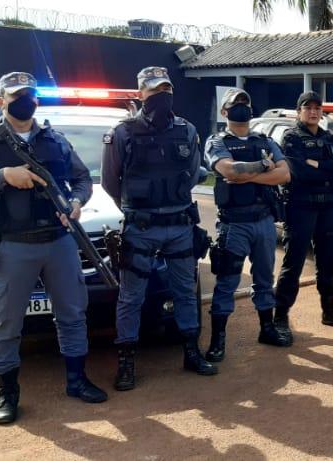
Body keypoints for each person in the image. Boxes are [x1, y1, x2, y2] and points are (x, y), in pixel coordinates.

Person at [0, 72, 108, 424]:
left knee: (72, 314)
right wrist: (4, 177)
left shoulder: (54, 139)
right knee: (6, 323)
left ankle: (76, 380)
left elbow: (83, 179)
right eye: (16, 95)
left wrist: (75, 201)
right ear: (1, 101)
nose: (25, 100)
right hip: (12, 246)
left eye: (30, 94)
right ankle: (8, 393)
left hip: (58, 242)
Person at [102, 66, 214, 391]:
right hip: (141, 227)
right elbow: (111, 182)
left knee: (185, 291)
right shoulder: (122, 133)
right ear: (140, 94)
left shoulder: (188, 130)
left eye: (166, 88)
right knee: (131, 296)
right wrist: (138, 209)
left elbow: (193, 173)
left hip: (180, 225)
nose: (161, 94)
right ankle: (126, 361)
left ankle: (191, 352)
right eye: (154, 90)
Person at [203, 88, 292, 362]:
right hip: (234, 224)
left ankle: (266, 329)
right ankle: (218, 340)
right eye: (235, 104)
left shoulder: (263, 140)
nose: (241, 107)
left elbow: (285, 174)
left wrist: (248, 175)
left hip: (264, 221)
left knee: (265, 279)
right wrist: (264, 167)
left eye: (245, 102)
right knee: (227, 282)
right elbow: (228, 170)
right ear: (224, 111)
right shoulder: (217, 141)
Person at [274, 91, 333, 338]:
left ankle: (329, 310)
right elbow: (299, 171)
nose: (313, 111)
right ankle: (280, 316)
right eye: (307, 107)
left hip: (326, 206)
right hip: (300, 205)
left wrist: (319, 164)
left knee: (326, 260)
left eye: (317, 108)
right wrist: (330, 164)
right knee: (294, 262)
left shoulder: (329, 136)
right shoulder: (291, 137)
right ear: (299, 111)